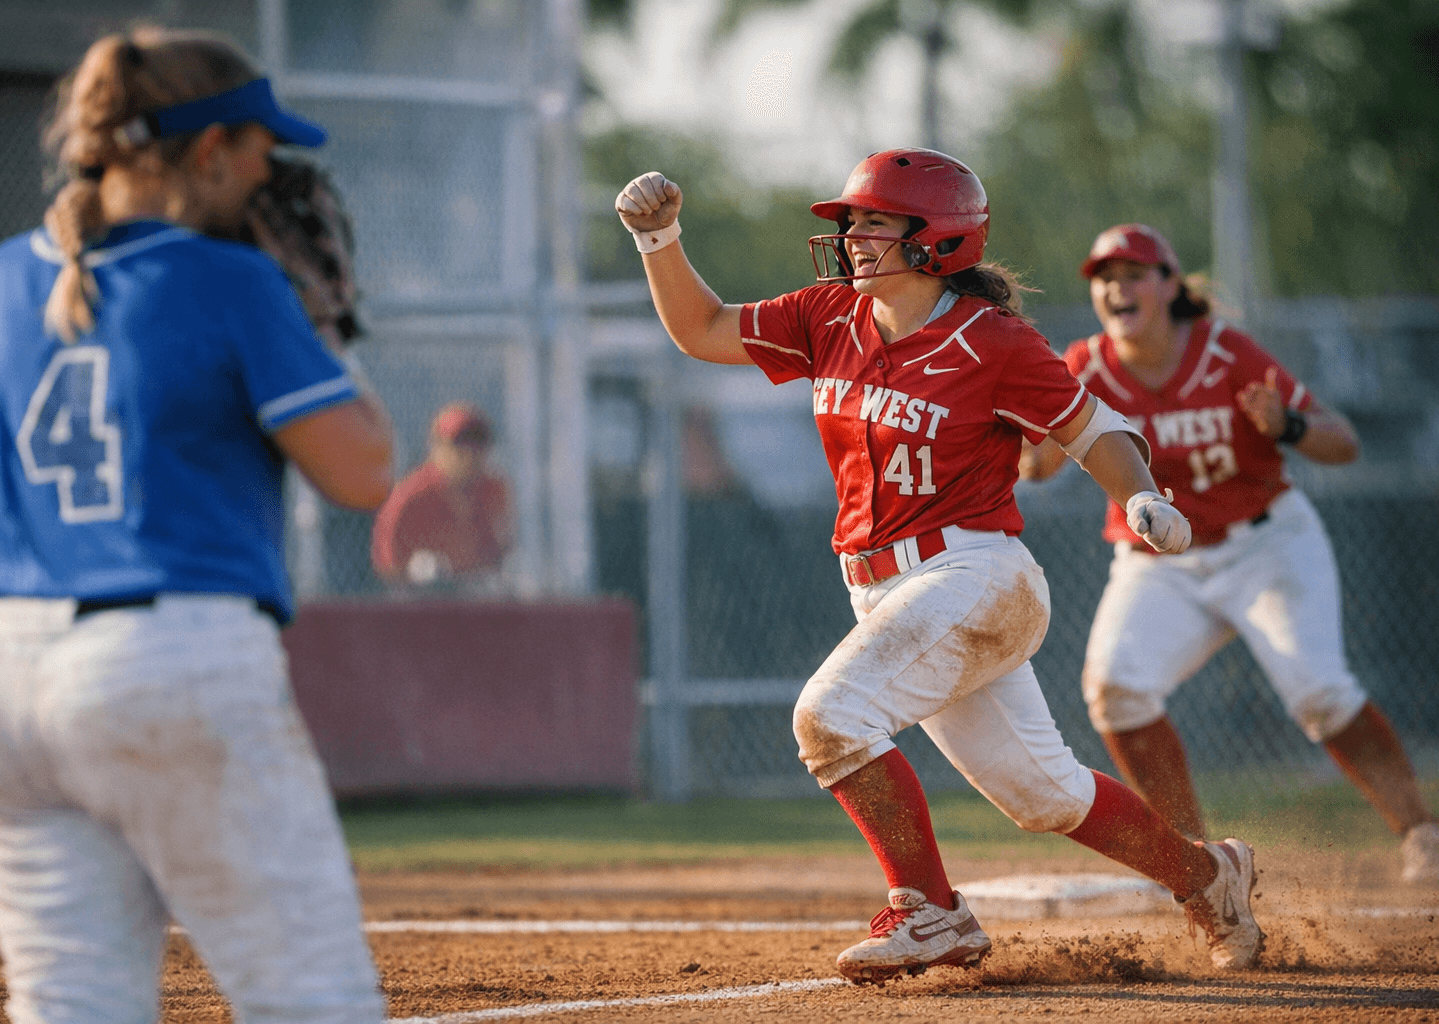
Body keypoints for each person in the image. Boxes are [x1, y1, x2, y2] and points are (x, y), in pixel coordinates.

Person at [615, 150, 1266, 983]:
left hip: (975, 575)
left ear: (938, 238)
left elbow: (1093, 427)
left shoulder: (990, 341)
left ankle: (929, 910)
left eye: (874, 222)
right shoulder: (828, 316)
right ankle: (1210, 878)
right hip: (887, 589)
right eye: (850, 221)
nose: (852, 236)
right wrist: (660, 238)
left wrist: (1143, 497)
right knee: (1046, 797)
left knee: (829, 717)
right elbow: (702, 329)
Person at [0, 27, 395, 1024]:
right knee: (313, 1002)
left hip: (0, 682)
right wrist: (317, 319)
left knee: (69, 1008)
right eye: (256, 145)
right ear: (207, 151)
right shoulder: (230, 281)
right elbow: (363, 472)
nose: (270, 166)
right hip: (173, 662)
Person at [1020, 222, 1439, 884]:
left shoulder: (1224, 353)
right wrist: (1019, 432)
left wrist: (1289, 426)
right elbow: (1037, 467)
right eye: (1104, 278)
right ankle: (1197, 867)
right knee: (1117, 692)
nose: (1116, 288)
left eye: (1133, 274)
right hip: (1158, 563)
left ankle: (1422, 833)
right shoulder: (1087, 366)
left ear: (1169, 285)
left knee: (1321, 694)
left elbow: (1343, 441)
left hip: (1266, 545)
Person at [370, 401, 513, 592]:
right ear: (437, 446)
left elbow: (501, 551)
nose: (470, 454)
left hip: (478, 594)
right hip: (422, 602)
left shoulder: (494, 489)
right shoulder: (410, 497)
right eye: (460, 444)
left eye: (478, 443)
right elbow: (388, 566)